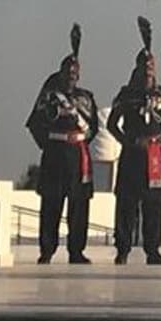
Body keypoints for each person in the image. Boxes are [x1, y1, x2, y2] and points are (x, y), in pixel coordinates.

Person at [25, 25, 99, 264]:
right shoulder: (49, 96)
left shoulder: (86, 97)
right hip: (55, 155)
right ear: (61, 72)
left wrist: (81, 142)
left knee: (79, 206)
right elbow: (35, 124)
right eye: (68, 72)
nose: (71, 76)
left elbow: (94, 127)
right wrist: (47, 145)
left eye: (75, 73)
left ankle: (76, 251)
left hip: (79, 156)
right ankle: (47, 250)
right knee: (51, 204)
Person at [106, 17, 161, 266]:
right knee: (127, 202)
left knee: (154, 203)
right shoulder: (126, 94)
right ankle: (123, 248)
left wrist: (156, 141)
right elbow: (112, 124)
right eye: (145, 65)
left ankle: (153, 249)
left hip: (154, 156)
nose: (149, 69)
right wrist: (129, 141)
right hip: (132, 154)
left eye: (152, 66)